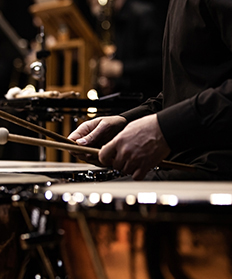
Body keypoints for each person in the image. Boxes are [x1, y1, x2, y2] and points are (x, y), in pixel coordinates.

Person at [68, 0, 232, 181]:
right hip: (188, 160)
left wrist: (163, 129)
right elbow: (185, 92)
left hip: (216, 165)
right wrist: (123, 122)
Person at [97, 0, 168, 100]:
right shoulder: (115, 16)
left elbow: (158, 63)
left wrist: (120, 68)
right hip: (125, 99)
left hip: (146, 100)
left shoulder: (143, 14)